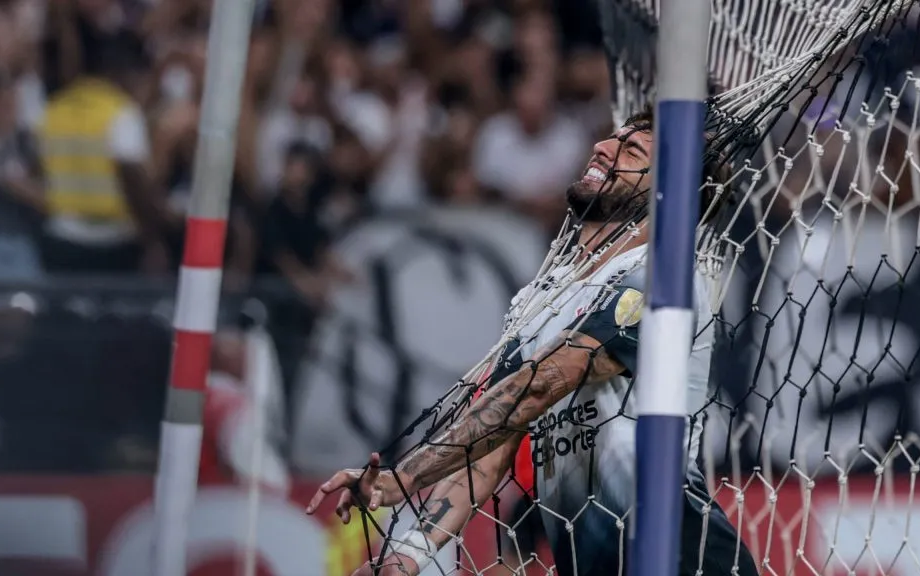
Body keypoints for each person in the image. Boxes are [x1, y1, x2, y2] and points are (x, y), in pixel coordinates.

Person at [306, 109, 759, 576]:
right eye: (610, 139)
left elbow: (544, 383)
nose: (604, 148)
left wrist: (405, 478)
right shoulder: (541, 295)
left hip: (683, 558)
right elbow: (489, 441)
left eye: (632, 151)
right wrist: (409, 554)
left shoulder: (662, 273)